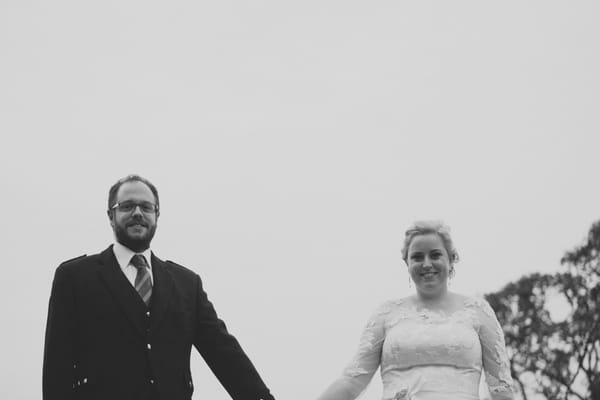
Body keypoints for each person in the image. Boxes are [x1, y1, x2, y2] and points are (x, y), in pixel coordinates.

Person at [43, 174, 276, 400]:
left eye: (146, 207)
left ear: (157, 215)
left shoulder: (187, 284)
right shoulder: (75, 277)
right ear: (111, 216)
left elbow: (225, 355)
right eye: (127, 206)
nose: (137, 213)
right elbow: (57, 367)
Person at [317, 221, 515, 400]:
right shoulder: (386, 314)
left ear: (451, 259)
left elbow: (502, 390)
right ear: (407, 263)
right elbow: (351, 382)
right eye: (417, 257)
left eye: (435, 255)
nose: (426, 264)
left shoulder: (478, 311)